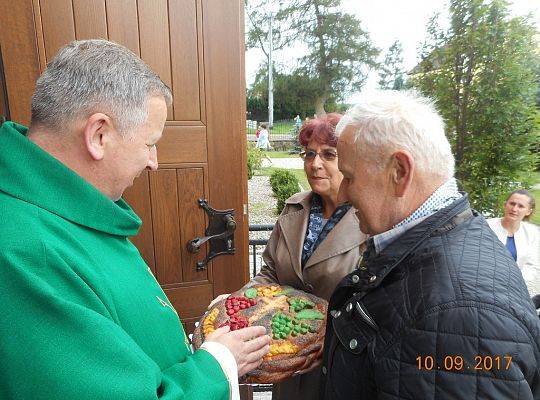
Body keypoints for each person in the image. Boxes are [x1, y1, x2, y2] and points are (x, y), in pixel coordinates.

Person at [0, 39, 270, 400]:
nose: (154, 161)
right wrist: (219, 363)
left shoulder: (71, 210)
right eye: (150, 142)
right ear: (99, 135)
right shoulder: (22, 253)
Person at [320, 90, 540, 399]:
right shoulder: (452, 240)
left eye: (349, 177)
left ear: (399, 172)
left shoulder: (461, 315)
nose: (342, 194)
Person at [211, 114, 368, 400]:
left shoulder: (370, 221)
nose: (315, 164)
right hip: (287, 364)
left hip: (339, 365)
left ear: (349, 161)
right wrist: (238, 301)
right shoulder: (295, 209)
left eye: (328, 155)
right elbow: (269, 273)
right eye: (309, 154)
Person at [487, 189, 540, 295]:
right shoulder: (486, 226)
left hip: (514, 288)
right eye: (512, 203)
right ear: (505, 205)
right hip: (485, 284)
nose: (514, 209)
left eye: (521, 206)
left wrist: (515, 283)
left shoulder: (532, 233)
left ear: (528, 211)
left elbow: (533, 266)